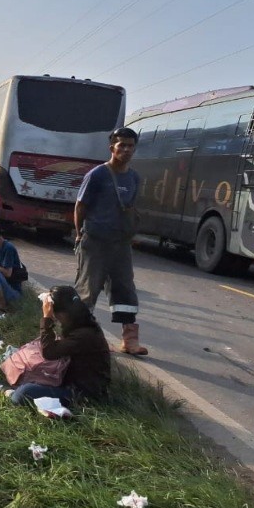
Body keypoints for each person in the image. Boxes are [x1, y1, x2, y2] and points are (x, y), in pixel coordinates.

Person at [73, 126, 147, 356]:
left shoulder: (134, 177)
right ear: (112, 148)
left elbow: (131, 207)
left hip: (121, 244)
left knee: (125, 290)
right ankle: (77, 336)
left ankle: (129, 340)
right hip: (95, 241)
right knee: (88, 290)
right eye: (121, 145)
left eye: (130, 146)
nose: (126, 150)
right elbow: (80, 206)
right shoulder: (97, 175)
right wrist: (79, 234)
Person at [0, 285, 111, 408]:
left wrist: (47, 319)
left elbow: (49, 352)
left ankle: (8, 391)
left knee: (22, 394)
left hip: (83, 393)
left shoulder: (84, 335)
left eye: (55, 315)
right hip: (70, 381)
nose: (56, 319)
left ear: (62, 314)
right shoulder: (82, 322)